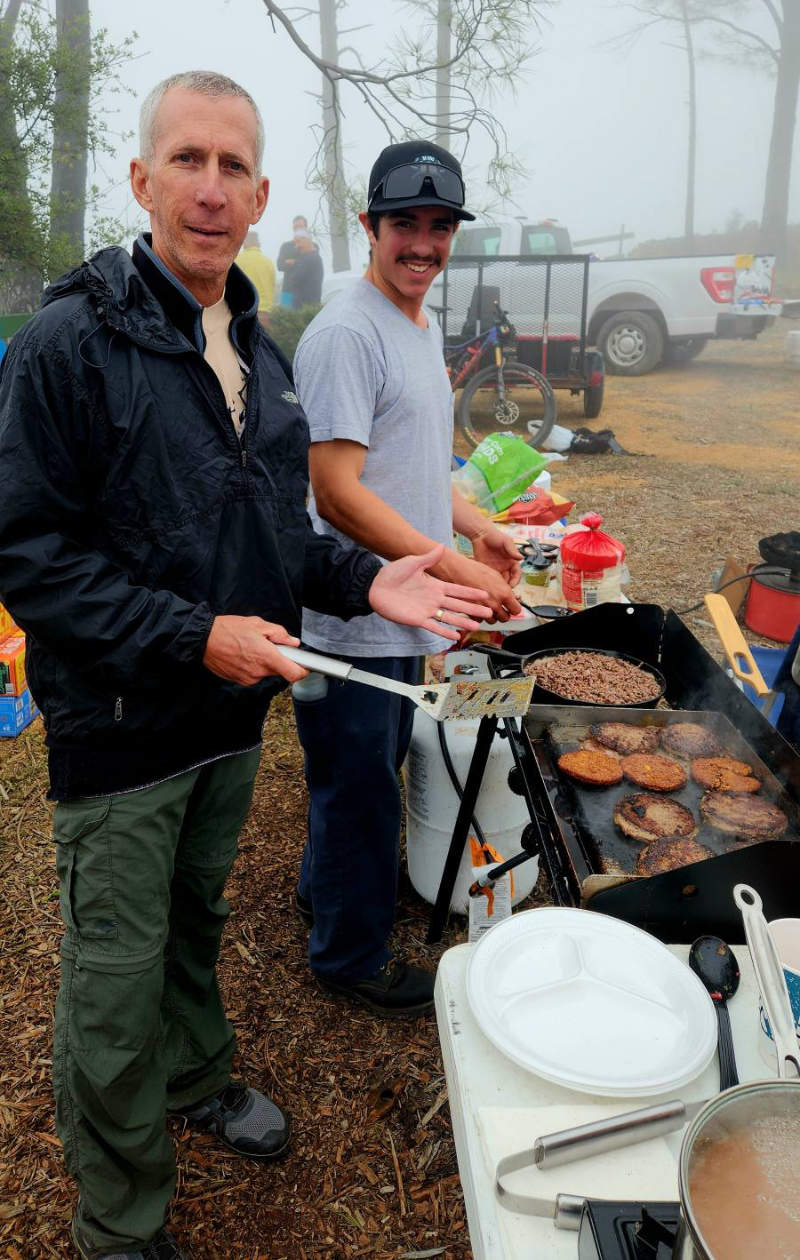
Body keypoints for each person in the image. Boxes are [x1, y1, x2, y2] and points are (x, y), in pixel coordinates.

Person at [0, 76, 492, 1260]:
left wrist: (359, 581)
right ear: (142, 179)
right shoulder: (72, 341)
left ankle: (199, 1074)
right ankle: (119, 1226)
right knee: (113, 982)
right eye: (187, 159)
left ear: (263, 195)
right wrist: (190, 636)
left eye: (234, 167)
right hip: (122, 731)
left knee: (195, 918)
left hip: (228, 720)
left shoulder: (258, 356)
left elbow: (275, 541)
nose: (210, 189)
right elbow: (28, 554)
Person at [292, 139, 523, 1019]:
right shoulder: (348, 333)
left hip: (405, 607)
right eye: (404, 225)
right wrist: (455, 565)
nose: (422, 243)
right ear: (370, 227)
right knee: (358, 781)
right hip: (354, 615)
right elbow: (336, 490)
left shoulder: (417, 321)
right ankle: (350, 958)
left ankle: (329, 891)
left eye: (439, 225)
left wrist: (474, 523)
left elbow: (410, 464)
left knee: (364, 772)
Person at [236, 229, 275, 322]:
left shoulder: (237, 260)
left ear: (245, 242)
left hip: (244, 312)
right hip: (265, 315)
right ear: (258, 243)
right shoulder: (269, 262)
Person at [276, 213, 308, 307]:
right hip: (288, 291)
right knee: (286, 318)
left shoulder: (313, 247)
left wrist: (293, 262)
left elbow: (309, 265)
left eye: (300, 227)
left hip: (305, 292)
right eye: (296, 227)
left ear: (306, 228)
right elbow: (280, 265)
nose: (298, 230)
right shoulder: (286, 246)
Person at [290, 229, 323, 309]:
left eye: (298, 242)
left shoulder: (309, 259)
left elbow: (295, 279)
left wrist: (295, 263)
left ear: (307, 240)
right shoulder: (312, 257)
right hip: (309, 304)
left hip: (305, 306)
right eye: (296, 243)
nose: (297, 246)